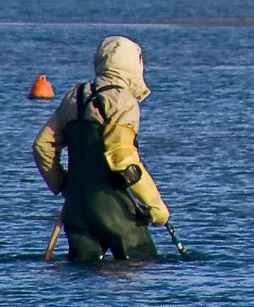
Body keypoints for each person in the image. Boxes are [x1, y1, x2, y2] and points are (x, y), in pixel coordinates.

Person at [33, 35, 170, 263]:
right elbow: (122, 158)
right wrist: (156, 206)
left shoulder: (74, 96)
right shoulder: (124, 101)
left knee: (82, 269)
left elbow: (42, 146)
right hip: (113, 206)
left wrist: (66, 186)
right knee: (139, 261)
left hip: (76, 208)